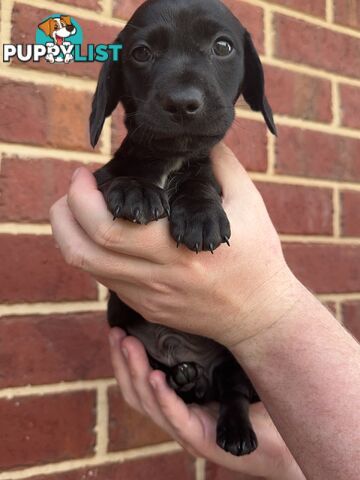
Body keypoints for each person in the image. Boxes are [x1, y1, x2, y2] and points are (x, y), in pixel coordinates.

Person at [50, 143, 360, 480]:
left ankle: (231, 401)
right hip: (151, 344)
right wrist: (286, 458)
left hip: (213, 363)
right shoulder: (132, 161)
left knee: (228, 375)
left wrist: (263, 309)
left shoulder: (206, 171)